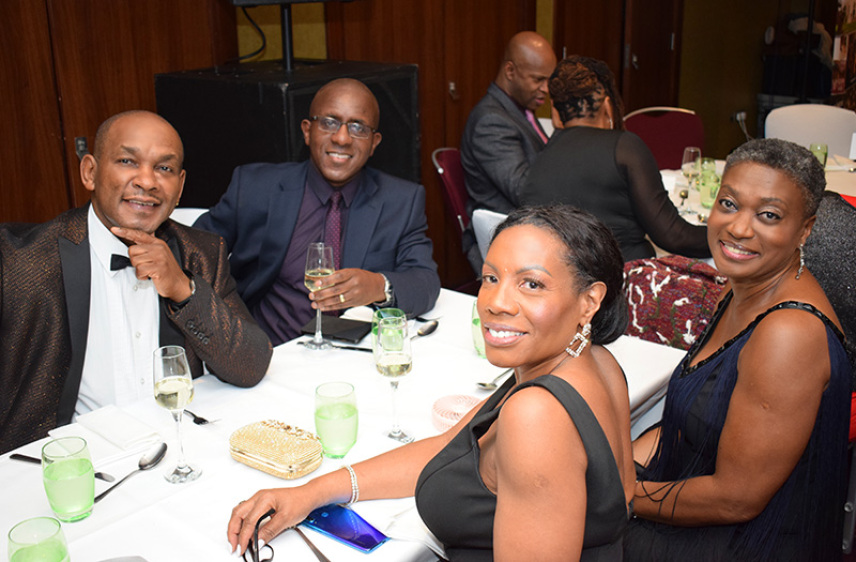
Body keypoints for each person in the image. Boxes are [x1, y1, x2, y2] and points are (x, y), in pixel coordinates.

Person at [227, 205, 635, 560]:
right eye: (491, 278)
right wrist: (311, 493)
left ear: (589, 301)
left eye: (532, 284)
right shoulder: (594, 362)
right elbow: (452, 446)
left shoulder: (537, 414)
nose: (496, 303)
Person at [625, 138, 850, 561]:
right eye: (729, 204)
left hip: (749, 541)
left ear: (805, 230)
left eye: (769, 215)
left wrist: (622, 497)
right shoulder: (744, 287)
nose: (739, 228)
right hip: (704, 501)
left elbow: (736, 500)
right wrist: (610, 465)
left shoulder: (789, 333)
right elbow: (691, 425)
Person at [0, 110, 272, 454]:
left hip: (178, 445)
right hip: (71, 458)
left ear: (180, 186)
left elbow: (251, 365)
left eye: (164, 168)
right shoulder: (20, 261)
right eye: (128, 161)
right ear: (90, 172)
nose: (147, 181)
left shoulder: (201, 252)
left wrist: (183, 290)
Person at [194, 78, 440, 346]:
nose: (342, 138)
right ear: (307, 130)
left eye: (358, 127)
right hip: (270, 354)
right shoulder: (256, 187)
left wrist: (379, 286)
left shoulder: (401, 201)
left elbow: (425, 281)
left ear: (373, 143)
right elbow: (194, 251)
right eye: (329, 122)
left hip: (355, 355)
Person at [520, 55, 710, 262]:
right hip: (624, 275)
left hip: (568, 278)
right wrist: (725, 234)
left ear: (556, 114)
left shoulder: (539, 161)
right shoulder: (625, 147)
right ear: (608, 106)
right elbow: (674, 236)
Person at [459, 31, 557, 270]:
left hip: (531, 228)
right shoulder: (491, 121)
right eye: (538, 80)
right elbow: (525, 192)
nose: (546, 89)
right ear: (510, 71)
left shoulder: (519, 110)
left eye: (549, 80)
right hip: (508, 238)